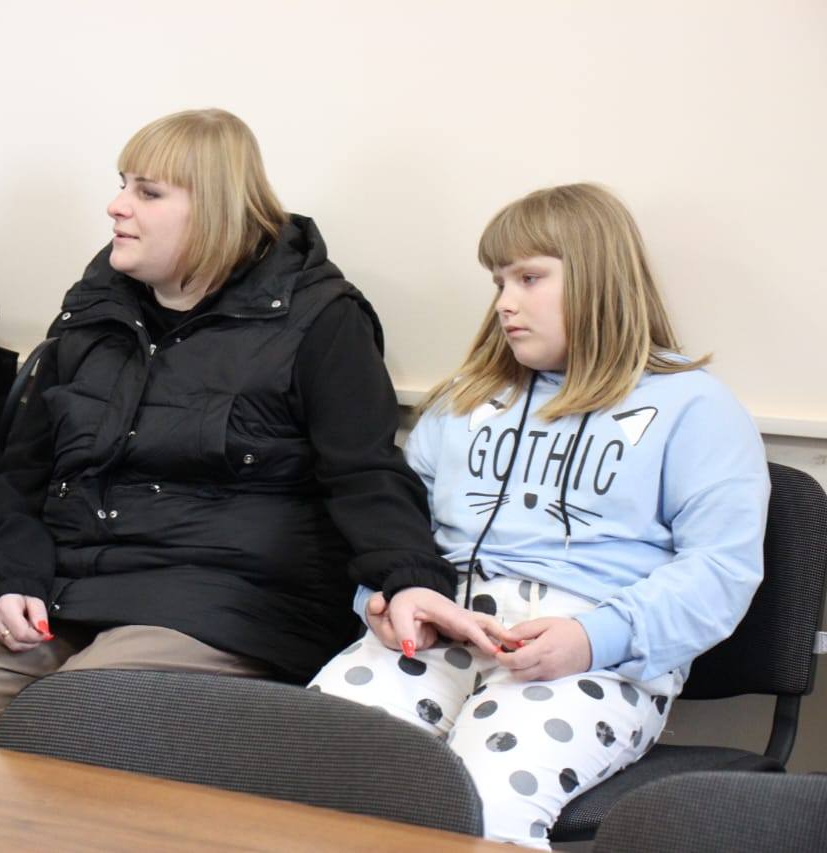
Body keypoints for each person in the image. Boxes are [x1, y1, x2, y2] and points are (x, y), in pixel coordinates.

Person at [0, 108, 488, 741]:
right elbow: (19, 476)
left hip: (226, 599)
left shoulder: (322, 318)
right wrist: (9, 580)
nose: (116, 206)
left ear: (214, 209)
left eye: (148, 192)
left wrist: (410, 578)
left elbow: (364, 473)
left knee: (80, 713)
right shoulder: (92, 311)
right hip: (73, 585)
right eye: (123, 184)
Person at [309, 183, 768, 848]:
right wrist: (388, 595)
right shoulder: (463, 401)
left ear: (598, 280)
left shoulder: (694, 408)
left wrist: (594, 636)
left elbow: (722, 570)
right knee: (313, 769)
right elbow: (396, 527)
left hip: (591, 656)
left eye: (528, 278)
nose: (504, 302)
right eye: (498, 281)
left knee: (481, 804)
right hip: (446, 629)